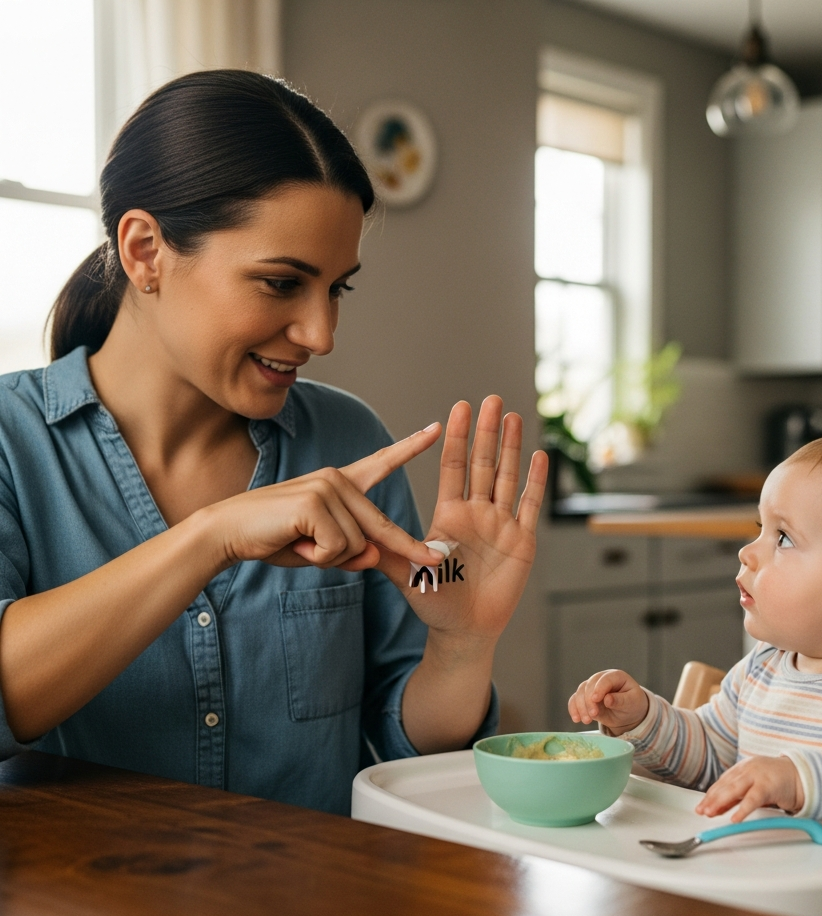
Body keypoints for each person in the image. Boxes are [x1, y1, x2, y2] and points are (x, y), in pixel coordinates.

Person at [0, 70, 546, 815]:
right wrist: (211, 538)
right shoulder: (12, 443)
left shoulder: (349, 441)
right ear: (145, 251)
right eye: (280, 283)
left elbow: (405, 746)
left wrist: (461, 645)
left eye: (337, 289)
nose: (321, 334)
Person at [569, 433, 822, 826]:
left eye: (783, 538)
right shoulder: (761, 671)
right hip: (758, 877)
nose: (747, 552)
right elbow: (710, 758)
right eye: (760, 530)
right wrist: (640, 719)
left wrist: (797, 780)